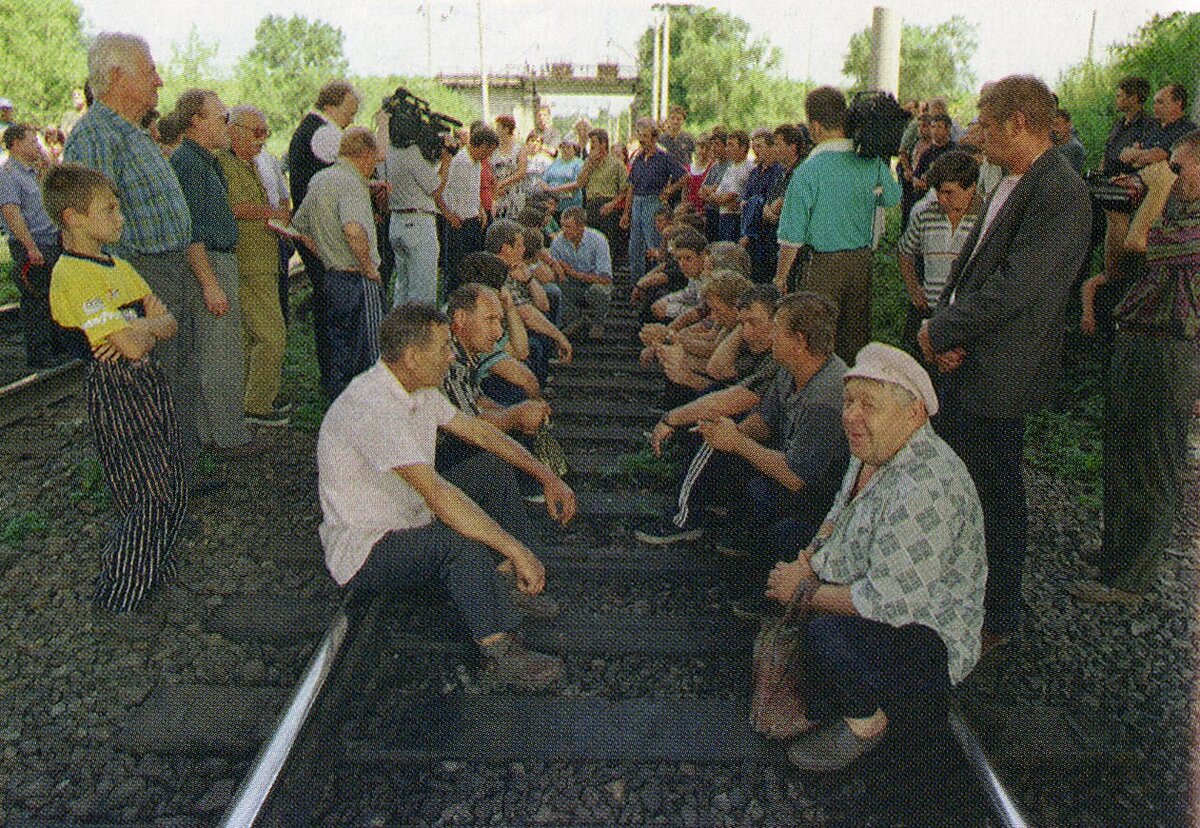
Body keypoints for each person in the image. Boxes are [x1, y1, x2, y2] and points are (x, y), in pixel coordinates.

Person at [317, 302, 576, 688]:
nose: (452, 356)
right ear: (412, 357)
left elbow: (481, 433)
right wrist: (514, 548)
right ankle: (497, 648)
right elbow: (437, 492)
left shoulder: (416, 387)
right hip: (367, 547)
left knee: (489, 470)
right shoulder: (371, 406)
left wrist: (546, 476)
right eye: (443, 349)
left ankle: (506, 585)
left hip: (408, 516)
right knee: (457, 540)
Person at [918, 75, 1092, 647]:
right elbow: (977, 273)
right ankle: (964, 595)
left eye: (987, 125)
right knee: (966, 482)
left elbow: (1022, 286)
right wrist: (944, 331)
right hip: (971, 359)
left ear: (1019, 123)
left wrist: (943, 328)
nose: (976, 135)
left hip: (1002, 368)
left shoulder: (1060, 191)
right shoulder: (1010, 182)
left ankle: (998, 617)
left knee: (995, 493)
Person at [768, 343, 985, 772]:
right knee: (785, 538)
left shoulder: (927, 486)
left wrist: (804, 591)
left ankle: (868, 723)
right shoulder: (874, 445)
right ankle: (840, 693)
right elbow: (837, 511)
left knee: (826, 635)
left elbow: (888, 601)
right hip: (870, 576)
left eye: (868, 404)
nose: (851, 415)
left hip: (924, 635)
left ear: (914, 413)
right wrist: (807, 559)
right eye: (849, 401)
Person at [65, 32, 214, 492]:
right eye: (150, 72)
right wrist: (120, 300)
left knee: (177, 374)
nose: (159, 81)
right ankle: (156, 488)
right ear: (115, 77)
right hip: (138, 275)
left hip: (165, 269)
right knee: (152, 385)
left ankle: (179, 476)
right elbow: (91, 227)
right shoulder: (96, 135)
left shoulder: (130, 131)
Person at [45, 163, 187, 613]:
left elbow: (168, 322)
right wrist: (143, 328)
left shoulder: (119, 266)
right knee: (145, 494)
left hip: (148, 380)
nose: (120, 217)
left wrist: (138, 326)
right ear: (74, 218)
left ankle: (150, 576)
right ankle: (120, 598)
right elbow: (127, 344)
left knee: (173, 483)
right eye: (109, 209)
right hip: (116, 389)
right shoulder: (73, 274)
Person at [1074, 130, 1200, 605]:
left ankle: (1130, 580)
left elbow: (1142, 240)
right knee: (1122, 450)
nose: (1171, 176)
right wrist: (1115, 211)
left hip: (1171, 350)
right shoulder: (1176, 210)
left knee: (1152, 461)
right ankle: (1116, 553)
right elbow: (1121, 261)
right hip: (1138, 340)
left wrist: (1154, 185)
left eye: (1179, 167)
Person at [635, 292, 850, 561]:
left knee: (771, 511)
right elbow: (763, 420)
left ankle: (749, 558)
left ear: (799, 341)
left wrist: (736, 442)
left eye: (777, 331)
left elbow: (798, 478)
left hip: (818, 497)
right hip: (793, 467)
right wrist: (725, 436)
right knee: (720, 438)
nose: (771, 337)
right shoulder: (792, 369)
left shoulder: (824, 399)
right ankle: (728, 525)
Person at [776, 87, 902, 365]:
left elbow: (792, 234)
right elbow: (893, 197)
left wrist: (781, 276)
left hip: (823, 266)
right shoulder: (870, 160)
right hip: (861, 262)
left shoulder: (808, 170)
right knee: (855, 340)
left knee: (817, 341)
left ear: (815, 127)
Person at [169, 88, 256, 457]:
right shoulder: (189, 164)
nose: (227, 124)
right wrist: (209, 283)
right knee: (219, 353)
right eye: (222, 117)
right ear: (196, 121)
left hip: (218, 261)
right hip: (210, 264)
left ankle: (213, 431)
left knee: (218, 350)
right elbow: (190, 231)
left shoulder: (206, 161)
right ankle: (228, 435)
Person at [292, 128, 386, 400]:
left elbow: (300, 227)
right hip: (358, 278)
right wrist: (369, 266)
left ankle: (338, 408)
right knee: (370, 351)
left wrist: (324, 253)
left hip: (332, 278)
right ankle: (368, 411)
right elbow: (354, 230)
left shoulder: (320, 179)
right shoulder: (352, 182)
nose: (374, 169)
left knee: (339, 352)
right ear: (366, 155)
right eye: (374, 161)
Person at [287, 80, 362, 393]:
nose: (352, 118)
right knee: (335, 307)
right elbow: (339, 181)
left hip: (313, 229)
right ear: (333, 104)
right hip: (323, 234)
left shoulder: (310, 128)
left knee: (328, 303)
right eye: (350, 110)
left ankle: (333, 375)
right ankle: (335, 377)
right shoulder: (325, 133)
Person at [220, 105, 290, 428]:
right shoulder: (226, 163)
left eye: (265, 133)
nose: (262, 140)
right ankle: (258, 405)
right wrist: (270, 214)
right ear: (236, 130)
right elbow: (232, 207)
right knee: (272, 335)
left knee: (254, 337)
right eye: (256, 132)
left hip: (261, 259)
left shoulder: (245, 163)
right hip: (250, 262)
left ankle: (249, 403)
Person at [0, 124, 73, 368]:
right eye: (32, 141)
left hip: (51, 241)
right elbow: (12, 213)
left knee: (55, 296)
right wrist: (30, 247)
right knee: (37, 300)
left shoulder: (35, 172)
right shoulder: (9, 174)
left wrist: (46, 160)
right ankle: (40, 354)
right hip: (33, 245)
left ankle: (58, 347)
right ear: (16, 144)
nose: (37, 146)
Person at [897, 151, 981, 358]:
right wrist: (914, 288)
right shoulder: (925, 214)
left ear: (971, 187)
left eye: (949, 192)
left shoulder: (987, 219)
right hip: (932, 318)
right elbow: (904, 251)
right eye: (938, 191)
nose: (941, 199)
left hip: (969, 322)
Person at [383, 124, 442, 308]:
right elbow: (435, 187)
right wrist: (446, 160)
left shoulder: (385, 151)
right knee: (423, 292)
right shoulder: (411, 152)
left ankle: (399, 332)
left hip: (396, 221)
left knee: (403, 288)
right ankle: (421, 334)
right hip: (418, 222)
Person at [621, 118, 685, 284]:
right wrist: (626, 213)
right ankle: (636, 284)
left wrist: (669, 190)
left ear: (654, 138)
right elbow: (631, 187)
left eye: (645, 136)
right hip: (637, 202)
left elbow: (685, 176)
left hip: (653, 201)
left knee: (653, 242)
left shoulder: (663, 157)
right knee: (635, 245)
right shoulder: (638, 159)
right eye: (640, 135)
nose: (642, 139)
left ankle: (654, 282)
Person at [438, 126, 499, 295]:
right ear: (482, 146)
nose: (489, 156)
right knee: (456, 270)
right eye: (489, 151)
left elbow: (473, 190)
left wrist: (480, 209)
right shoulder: (459, 162)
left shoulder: (477, 163)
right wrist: (449, 215)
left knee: (472, 267)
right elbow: (439, 191)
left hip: (473, 220)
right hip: (457, 222)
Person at [549, 205, 612, 341]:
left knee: (600, 291)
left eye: (568, 227)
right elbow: (554, 270)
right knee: (555, 287)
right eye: (562, 226)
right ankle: (575, 320)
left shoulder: (598, 240)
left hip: (592, 284)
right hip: (571, 285)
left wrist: (575, 273)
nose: (564, 231)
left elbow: (606, 278)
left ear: (581, 226)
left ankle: (598, 323)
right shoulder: (558, 242)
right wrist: (557, 269)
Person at [740, 129, 785, 284]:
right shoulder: (754, 172)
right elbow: (745, 201)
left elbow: (770, 205)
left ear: (771, 147)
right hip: (752, 235)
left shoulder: (779, 172)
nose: (756, 151)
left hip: (769, 235)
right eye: (754, 147)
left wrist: (757, 204)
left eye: (759, 146)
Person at [575, 128, 627, 253]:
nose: (591, 146)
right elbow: (580, 183)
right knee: (590, 242)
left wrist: (613, 203)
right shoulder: (588, 162)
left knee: (608, 243)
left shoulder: (616, 164)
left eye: (594, 142)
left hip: (608, 205)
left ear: (603, 143)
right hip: (591, 204)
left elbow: (625, 189)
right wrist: (589, 165)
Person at [714, 130, 753, 242]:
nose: (728, 149)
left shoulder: (748, 168)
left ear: (743, 148)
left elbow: (732, 195)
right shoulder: (731, 167)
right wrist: (718, 198)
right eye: (727, 145)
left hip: (735, 218)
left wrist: (720, 199)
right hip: (723, 215)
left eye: (731, 145)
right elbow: (718, 193)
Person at [490, 114, 529, 220]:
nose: (496, 130)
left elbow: (521, 172)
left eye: (498, 127)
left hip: (514, 191)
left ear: (506, 129)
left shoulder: (519, 148)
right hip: (497, 192)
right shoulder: (493, 148)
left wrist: (503, 183)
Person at [541, 138, 584, 215]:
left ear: (575, 149)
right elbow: (544, 178)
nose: (565, 150)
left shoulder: (579, 163)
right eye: (563, 147)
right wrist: (547, 189)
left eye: (568, 147)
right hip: (551, 200)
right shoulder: (556, 162)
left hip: (569, 201)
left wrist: (555, 189)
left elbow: (578, 183)